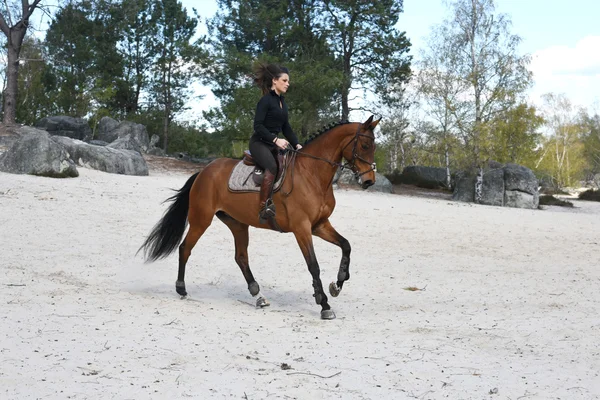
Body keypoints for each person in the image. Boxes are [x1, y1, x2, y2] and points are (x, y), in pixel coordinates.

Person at [250, 63, 303, 223]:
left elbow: (286, 127)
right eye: (285, 80)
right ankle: (263, 206)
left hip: (274, 144)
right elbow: (257, 126)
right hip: (259, 143)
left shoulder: (282, 103)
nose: (288, 83)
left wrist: (297, 144)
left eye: (288, 81)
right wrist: (275, 139)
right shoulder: (265, 101)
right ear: (275, 81)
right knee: (272, 166)